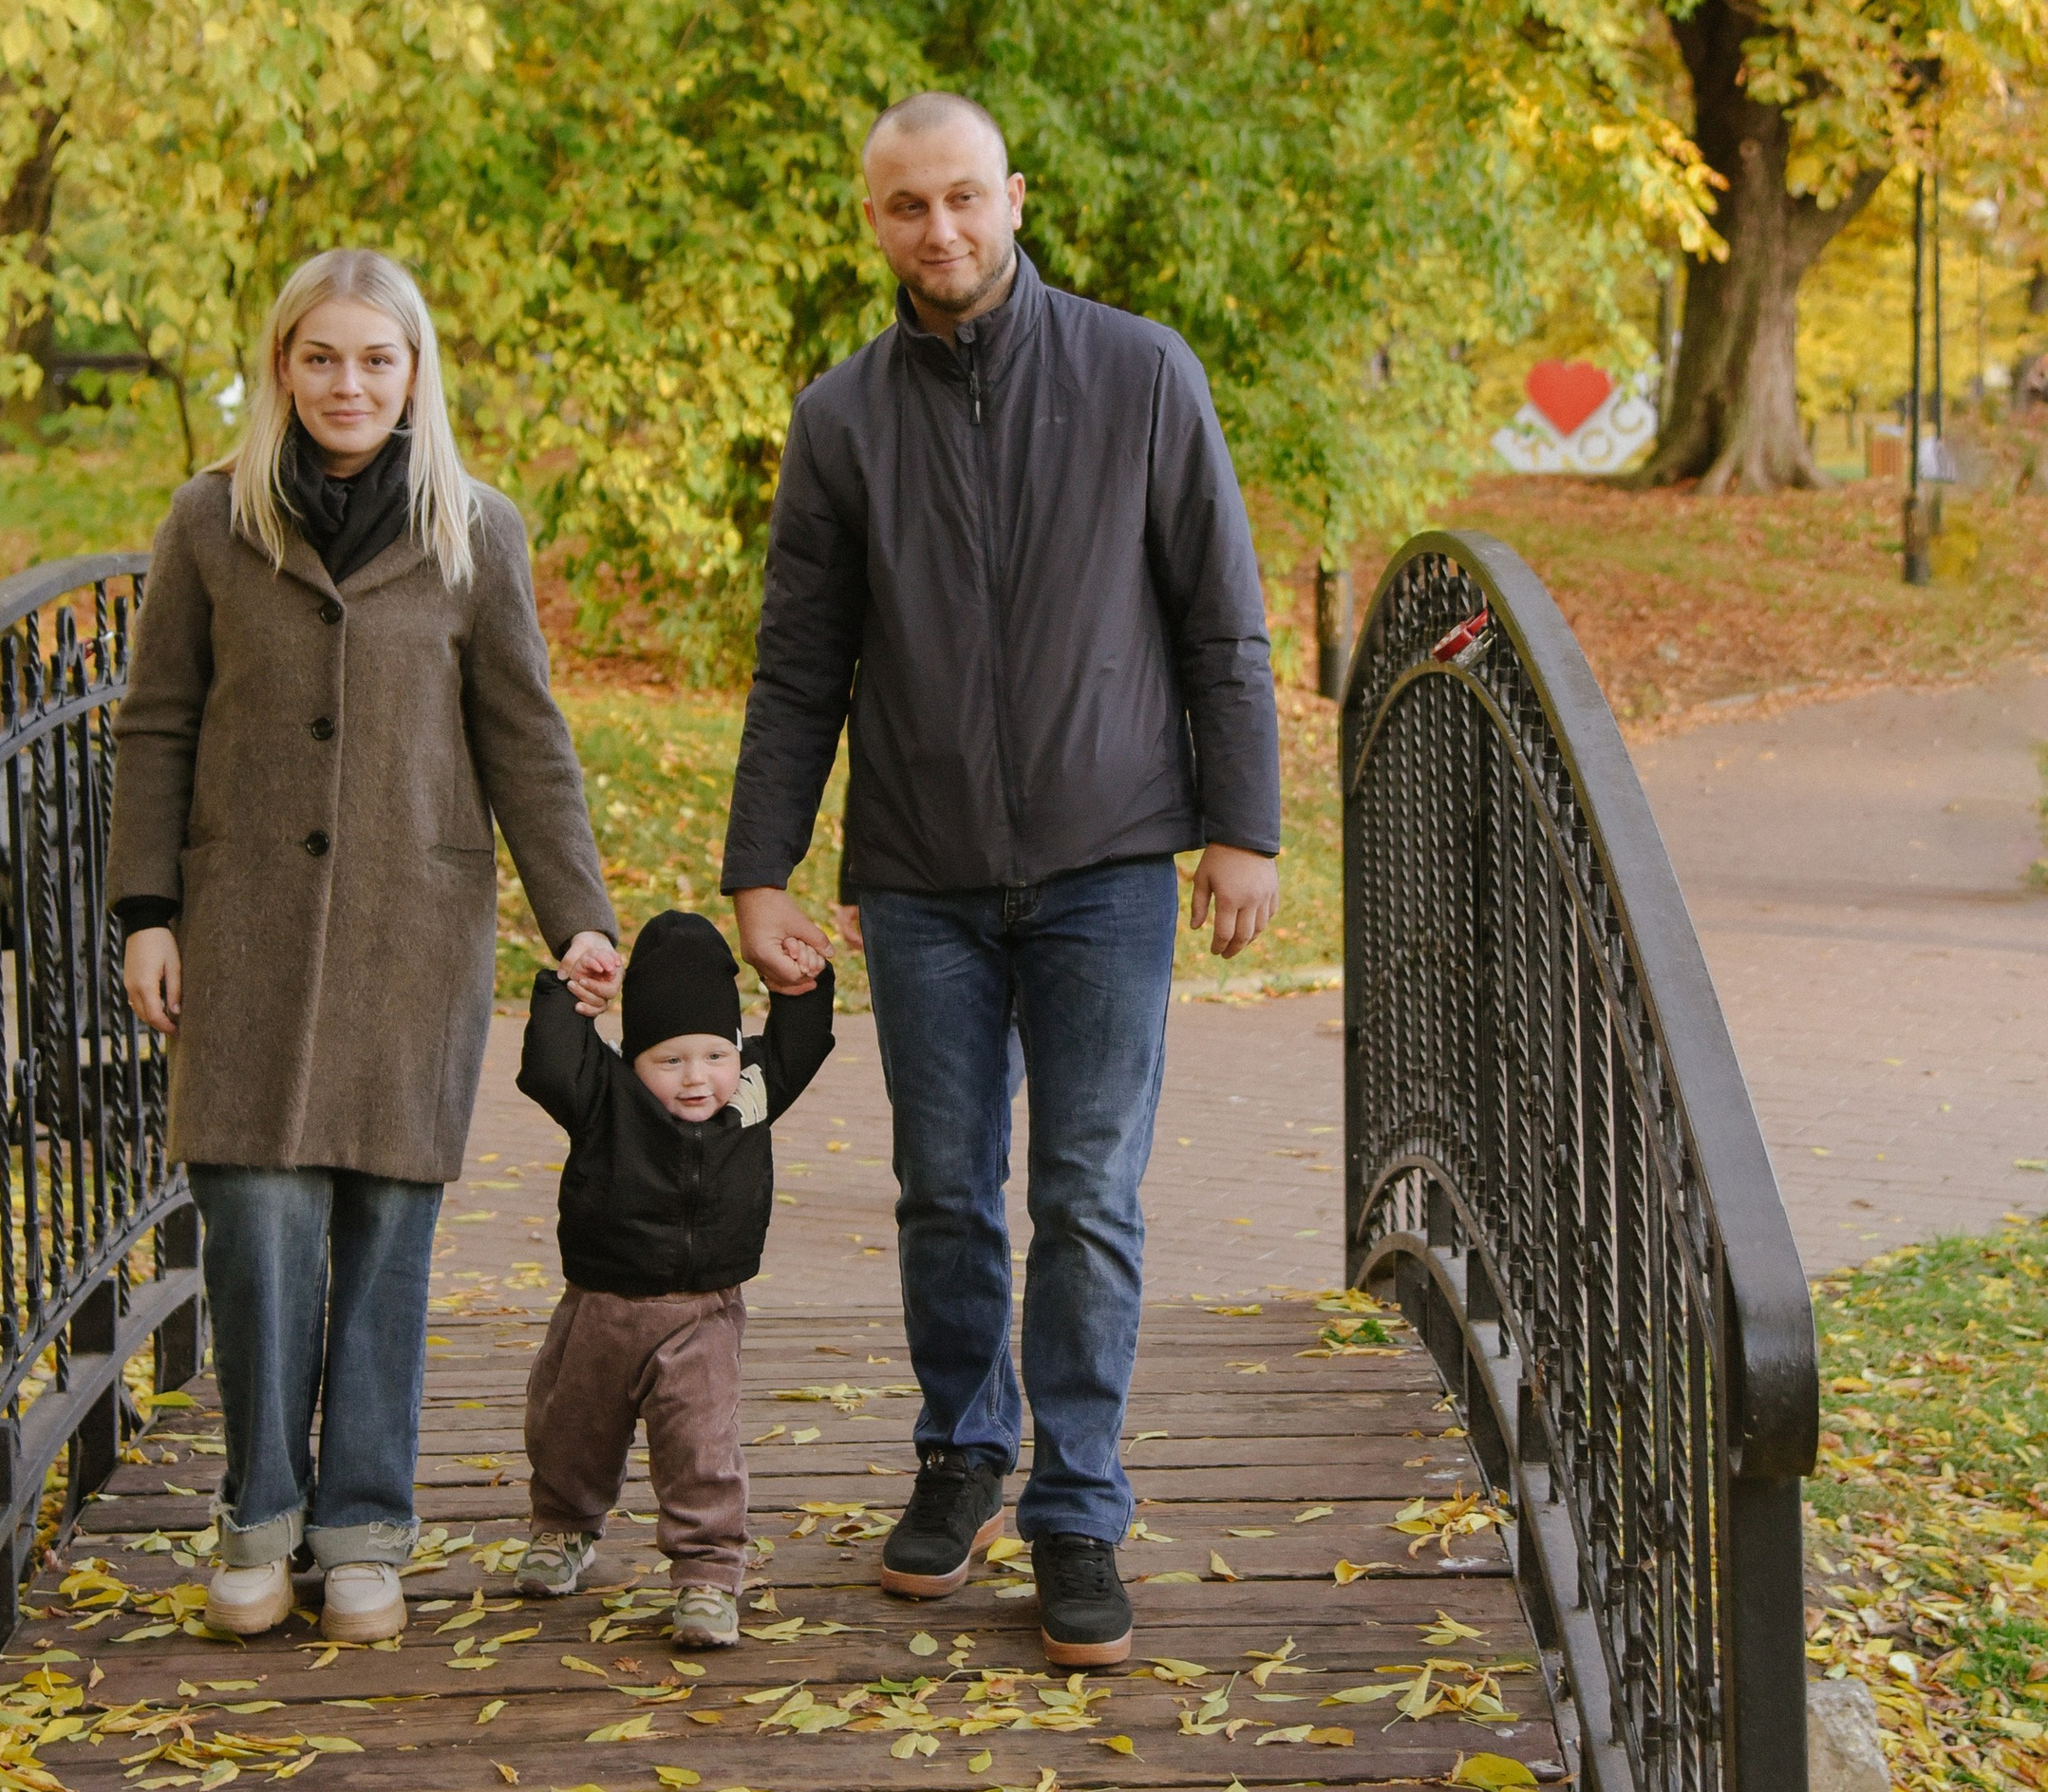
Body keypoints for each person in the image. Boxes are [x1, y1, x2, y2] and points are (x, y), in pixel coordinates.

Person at [721, 91, 1282, 1669]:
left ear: (1015, 195)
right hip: (923, 875)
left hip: (1111, 860)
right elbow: (797, 670)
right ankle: (964, 1452)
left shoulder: (1141, 375)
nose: (941, 231)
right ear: (875, 222)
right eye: (907, 207)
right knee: (944, 1192)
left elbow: (1221, 625)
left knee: (1087, 1196)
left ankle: (1079, 1508)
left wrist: (1244, 825)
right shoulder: (845, 420)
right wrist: (761, 867)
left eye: (965, 198)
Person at [109, 250, 620, 1646]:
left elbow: (526, 737)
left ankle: (366, 1531)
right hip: (245, 934)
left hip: (412, 930)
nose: (349, 383)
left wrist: (578, 912)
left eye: (376, 359)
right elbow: (157, 722)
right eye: (322, 357)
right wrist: (145, 911)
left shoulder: (476, 532)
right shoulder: (212, 521)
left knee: (389, 1238)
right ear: (283, 365)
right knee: (259, 1234)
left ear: (415, 373)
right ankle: (260, 1519)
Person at [512, 908, 836, 1642]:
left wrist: (798, 982)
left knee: (702, 1446)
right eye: (671, 1060)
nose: (698, 1078)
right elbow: (550, 1060)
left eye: (715, 1054)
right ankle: (563, 1527)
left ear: (736, 1049)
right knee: (570, 1427)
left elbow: (801, 1040)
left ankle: (708, 1573)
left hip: (705, 1312)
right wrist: (569, 991)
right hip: (602, 1303)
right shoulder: (605, 1093)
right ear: (634, 1059)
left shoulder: (750, 1094)